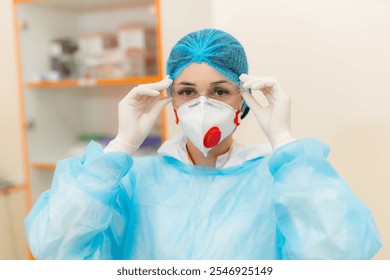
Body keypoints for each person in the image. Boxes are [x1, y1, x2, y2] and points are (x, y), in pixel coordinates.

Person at [25, 29, 382, 260]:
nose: (202, 105)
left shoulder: (280, 181)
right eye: (187, 92)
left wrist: (283, 141)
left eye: (219, 92)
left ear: (242, 101)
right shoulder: (134, 180)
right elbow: (54, 250)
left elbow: (342, 256)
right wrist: (120, 146)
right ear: (171, 101)